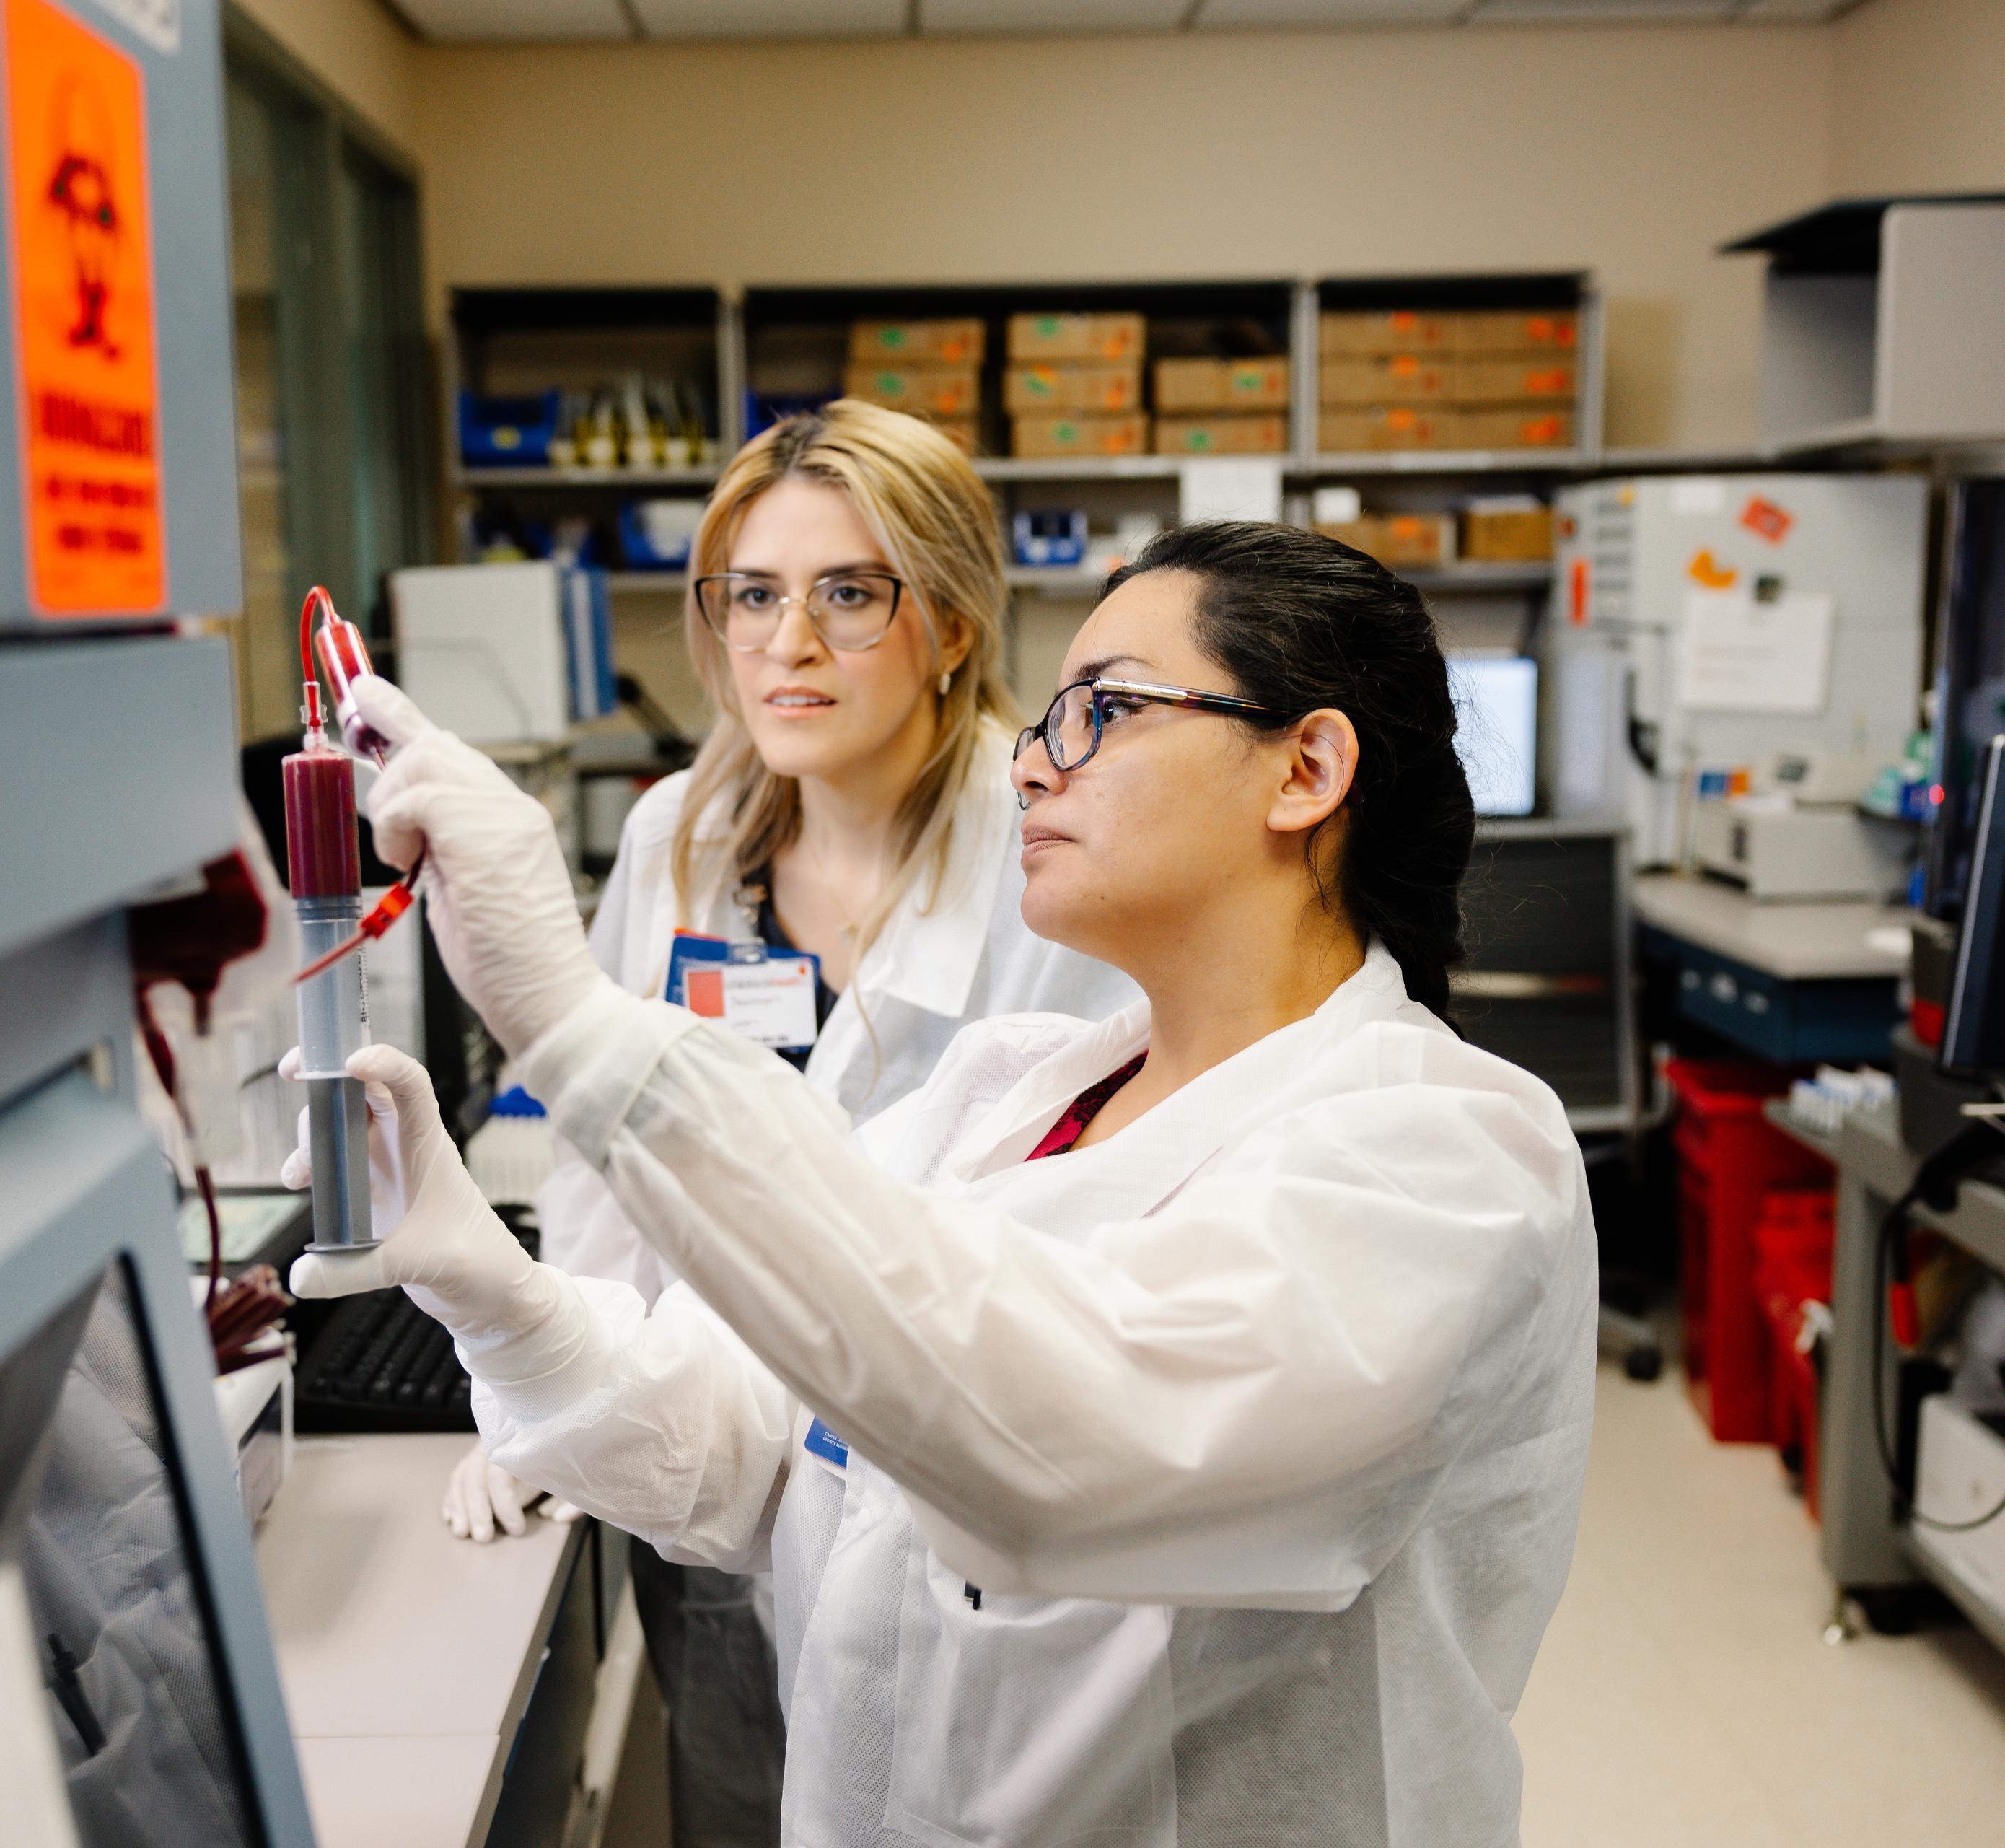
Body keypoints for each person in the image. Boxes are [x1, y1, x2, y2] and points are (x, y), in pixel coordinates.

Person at [298, 520, 1598, 1844]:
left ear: (1305, 769)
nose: (1029, 764)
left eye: (1102, 711)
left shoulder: (1456, 1155)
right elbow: (739, 1434)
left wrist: (581, 1026)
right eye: (1046, 721)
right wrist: (499, 1295)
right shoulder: (1006, 1092)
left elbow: (1058, 1454)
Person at [436, 403, 1135, 1844]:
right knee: (738, 1795)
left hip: (945, 1498)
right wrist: (555, 1385)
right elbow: (601, 1149)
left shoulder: (1049, 856)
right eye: (752, 594)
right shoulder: (678, 835)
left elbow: (1086, 1213)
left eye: (848, 593)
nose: (787, 643)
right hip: (700, 1448)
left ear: (951, 623)